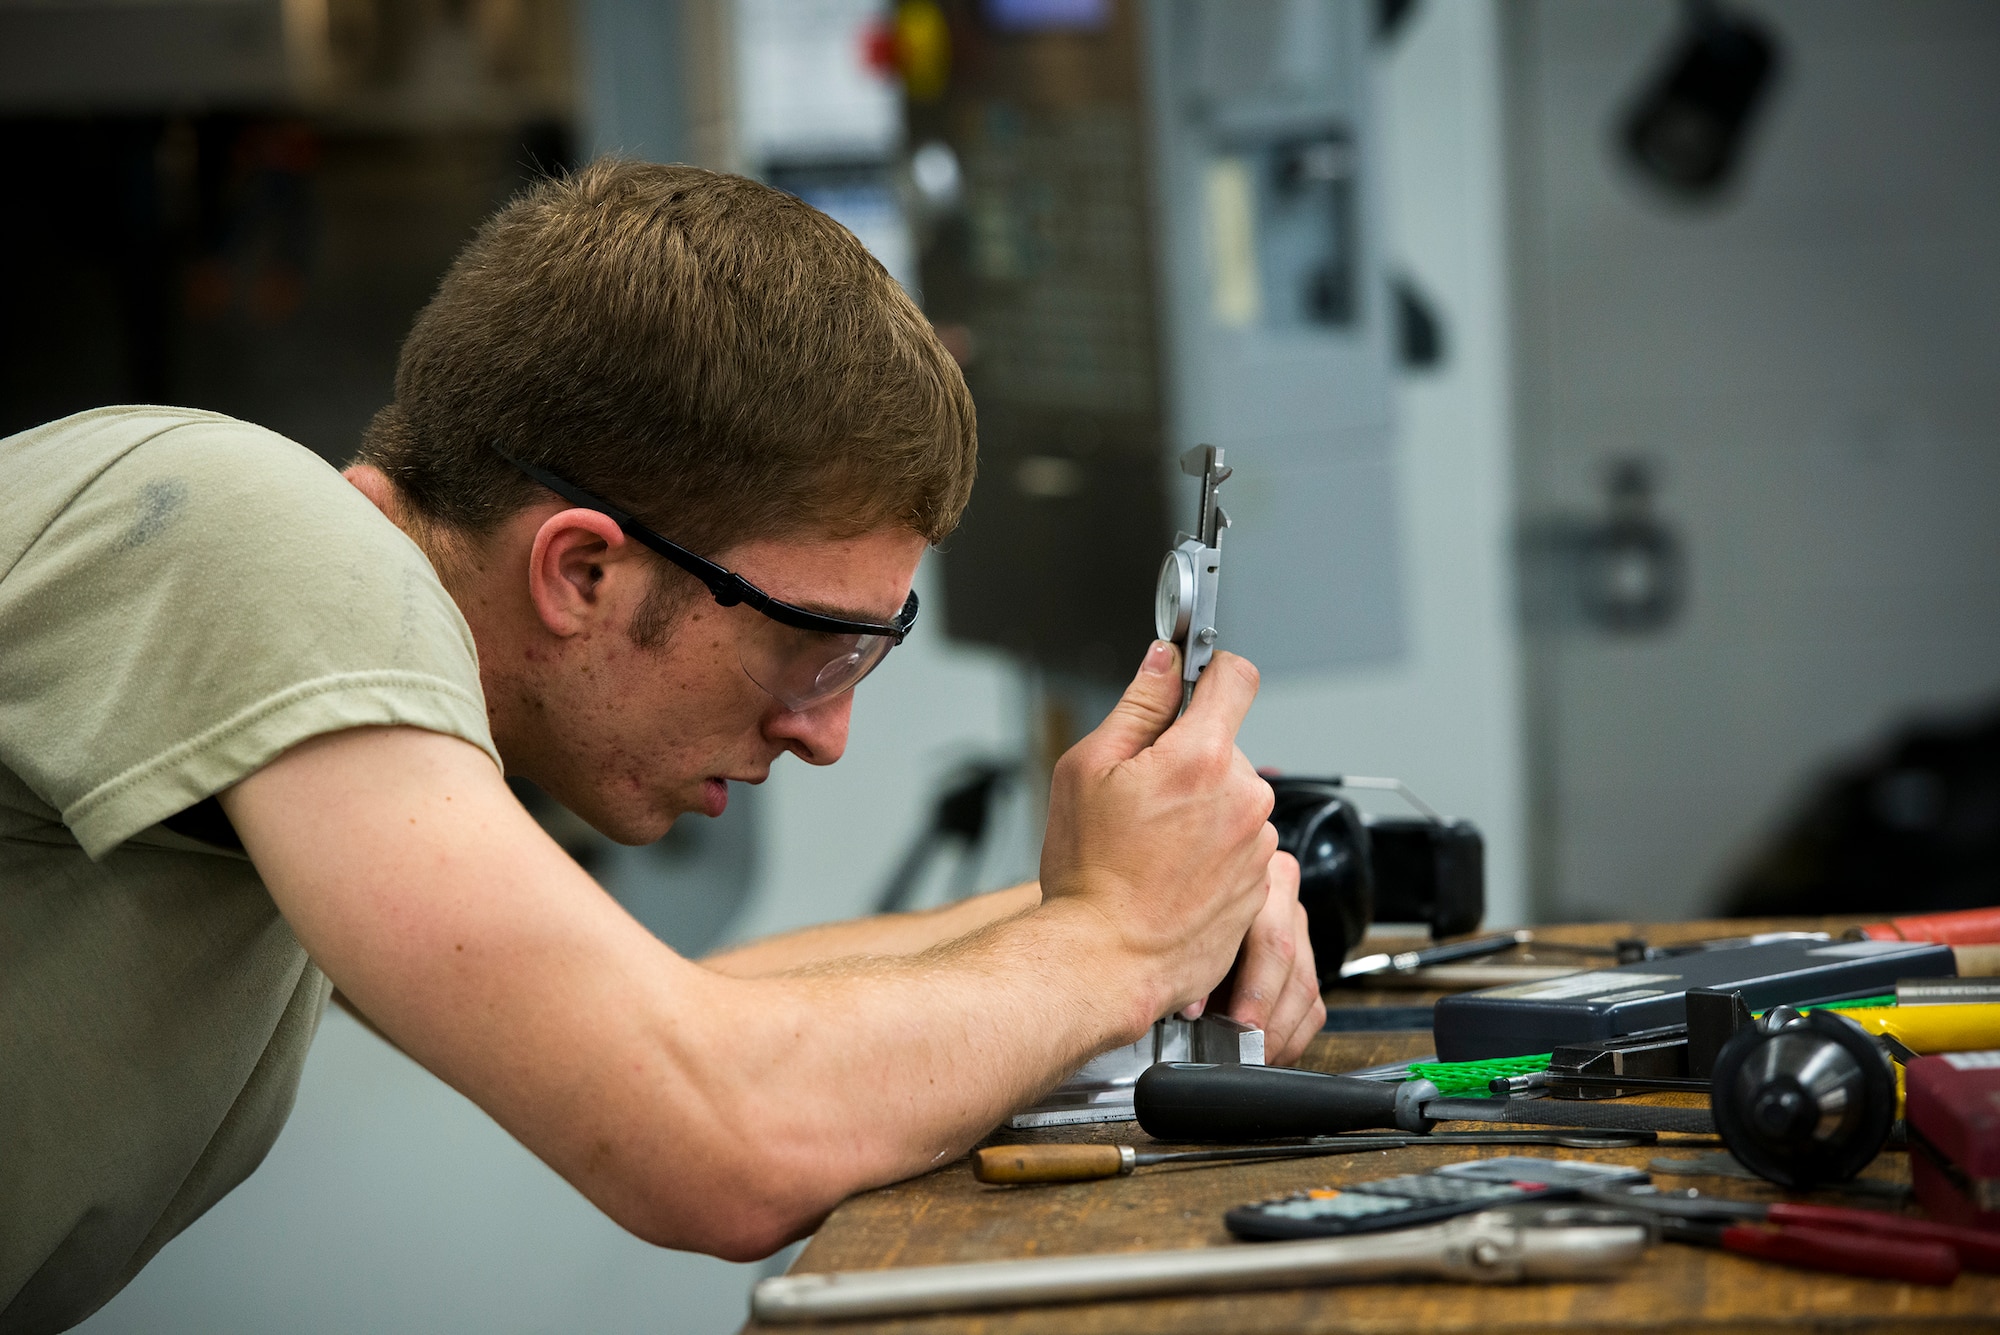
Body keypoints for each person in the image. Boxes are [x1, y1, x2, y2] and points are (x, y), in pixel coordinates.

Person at [0, 160, 1323, 1333]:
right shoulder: (254, 538)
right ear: (582, 572)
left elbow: (692, 1017)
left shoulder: (305, 659)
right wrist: (1116, 944)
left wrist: (1131, 909)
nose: (828, 734)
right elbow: (710, 1131)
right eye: (817, 647)